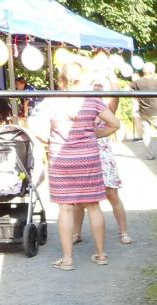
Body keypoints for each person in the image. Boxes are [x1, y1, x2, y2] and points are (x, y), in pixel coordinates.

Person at [44, 60, 121, 270]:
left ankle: (67, 259)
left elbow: (40, 132)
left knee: (65, 208)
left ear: (61, 80)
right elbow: (115, 124)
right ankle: (101, 254)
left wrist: (52, 140)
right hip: (88, 157)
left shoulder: (51, 102)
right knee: (94, 206)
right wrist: (94, 134)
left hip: (61, 159)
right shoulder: (92, 100)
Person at [95, 78, 132, 244]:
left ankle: (123, 231)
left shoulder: (106, 109)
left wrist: (112, 79)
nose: (96, 87)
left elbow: (115, 98)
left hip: (104, 157)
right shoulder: (81, 107)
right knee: (80, 201)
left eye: (99, 86)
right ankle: (76, 234)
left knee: (112, 194)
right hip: (85, 154)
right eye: (94, 85)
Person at [132, 62, 157, 159]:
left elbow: (129, 89)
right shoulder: (155, 82)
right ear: (153, 71)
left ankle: (149, 155)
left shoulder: (137, 82)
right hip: (155, 111)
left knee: (146, 134)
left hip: (143, 112)